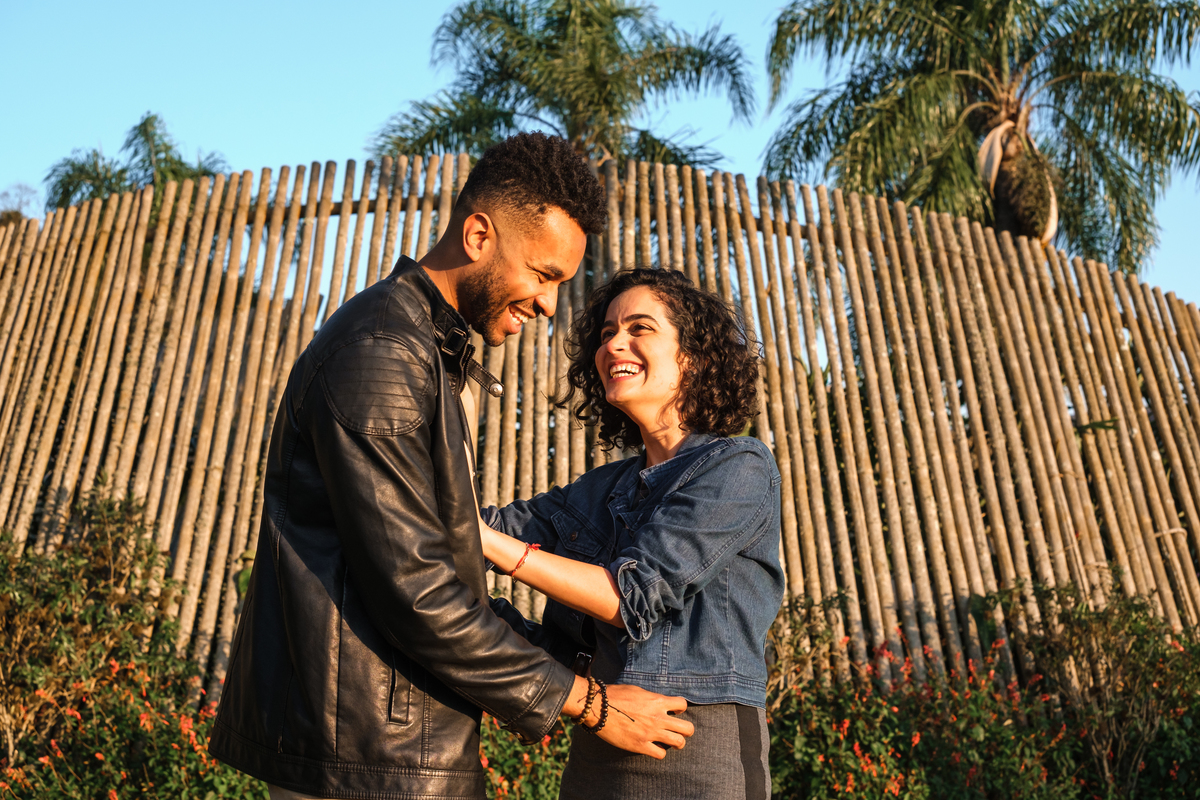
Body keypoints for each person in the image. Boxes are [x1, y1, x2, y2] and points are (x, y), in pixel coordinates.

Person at [209, 134, 694, 800]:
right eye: (544, 274)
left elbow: (431, 571)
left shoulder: (429, 355)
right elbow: (418, 593)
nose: (551, 304)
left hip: (386, 748)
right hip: (368, 761)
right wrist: (592, 704)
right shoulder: (381, 355)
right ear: (476, 235)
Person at [480, 268, 785, 800]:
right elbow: (477, 530)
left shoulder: (740, 466)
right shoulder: (599, 490)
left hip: (697, 754)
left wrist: (490, 547)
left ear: (693, 355)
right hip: (598, 750)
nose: (614, 343)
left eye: (639, 328)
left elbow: (634, 596)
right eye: (605, 334)